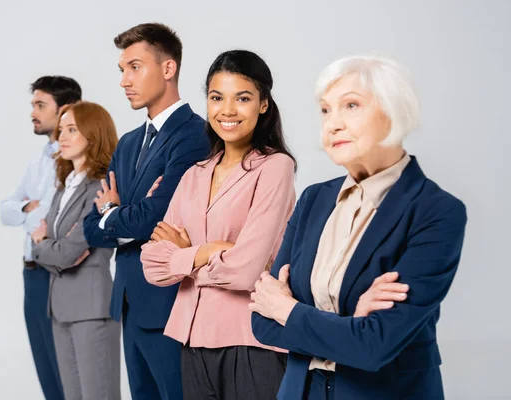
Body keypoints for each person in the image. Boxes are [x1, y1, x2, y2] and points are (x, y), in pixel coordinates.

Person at [250, 55, 467, 399]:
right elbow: (262, 321)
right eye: (325, 110)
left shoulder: (437, 211)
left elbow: (373, 346)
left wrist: (288, 309)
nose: (332, 124)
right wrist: (350, 321)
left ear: (393, 112)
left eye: (351, 105)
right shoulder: (313, 199)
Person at [140, 49, 295, 399]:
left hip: (252, 342)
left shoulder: (275, 168)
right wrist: (208, 252)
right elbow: (151, 264)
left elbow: (246, 271)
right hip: (192, 341)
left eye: (242, 98)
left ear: (263, 104)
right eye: (216, 97)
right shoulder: (194, 175)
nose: (227, 110)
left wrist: (185, 259)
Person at [82, 23, 210, 400]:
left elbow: (156, 216)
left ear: (168, 69)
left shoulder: (194, 136)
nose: (124, 80)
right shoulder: (128, 143)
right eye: (122, 70)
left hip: (169, 301)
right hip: (128, 303)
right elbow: (92, 228)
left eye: (134, 67)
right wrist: (119, 214)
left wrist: (117, 212)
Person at [31, 101, 121, 400]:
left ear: (93, 135)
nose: (62, 137)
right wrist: (52, 248)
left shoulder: (100, 188)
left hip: (91, 309)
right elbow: (63, 249)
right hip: (60, 308)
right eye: (61, 130)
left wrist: (42, 244)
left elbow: (68, 251)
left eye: (72, 129)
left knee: (99, 395)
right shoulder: (64, 186)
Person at [0, 75, 81, 400]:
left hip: (55, 273)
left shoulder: (75, 157)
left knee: (66, 370)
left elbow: (54, 218)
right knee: (45, 367)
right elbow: (4, 210)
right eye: (33, 104)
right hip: (31, 273)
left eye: (40, 105)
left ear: (65, 110)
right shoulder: (37, 161)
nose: (32, 112)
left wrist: (30, 209)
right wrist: (29, 208)